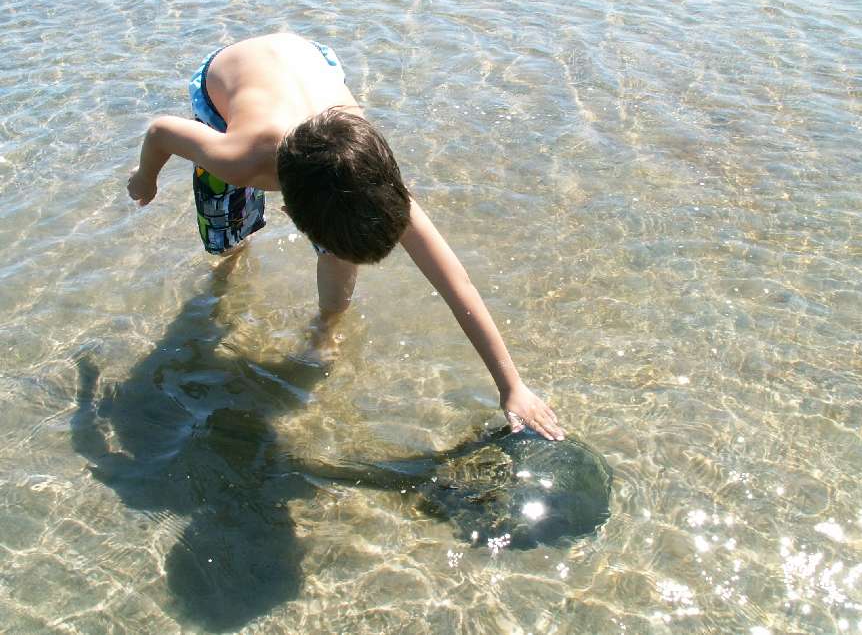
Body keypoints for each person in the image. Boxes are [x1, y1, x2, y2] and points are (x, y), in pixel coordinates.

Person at [127, 32, 565, 441]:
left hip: (309, 60)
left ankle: (326, 325)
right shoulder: (238, 158)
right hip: (227, 75)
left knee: (343, 232)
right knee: (224, 232)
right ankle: (232, 260)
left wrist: (511, 386)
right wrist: (146, 177)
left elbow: (455, 282)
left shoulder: (373, 177)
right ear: (292, 213)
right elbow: (161, 131)